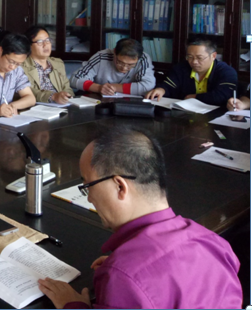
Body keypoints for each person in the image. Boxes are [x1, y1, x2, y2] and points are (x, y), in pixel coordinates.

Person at [37, 126, 242, 309]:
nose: (89, 197)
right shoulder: (215, 242)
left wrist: (73, 305)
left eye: (88, 185)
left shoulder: (124, 277)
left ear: (120, 186)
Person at [146, 39, 237, 106]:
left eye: (199, 58)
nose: (194, 62)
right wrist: (161, 89)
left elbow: (223, 96)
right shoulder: (181, 68)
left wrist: (195, 97)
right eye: (190, 57)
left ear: (213, 56)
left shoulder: (226, 72)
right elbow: (169, 85)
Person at [69, 38, 155, 96]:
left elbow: (148, 86)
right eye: (120, 62)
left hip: (128, 104)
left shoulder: (143, 59)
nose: (124, 68)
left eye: (131, 65)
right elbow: (75, 79)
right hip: (98, 102)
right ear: (114, 52)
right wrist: (99, 88)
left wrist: (113, 87)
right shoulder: (102, 57)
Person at [22, 26, 74, 104]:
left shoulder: (58, 63)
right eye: (40, 42)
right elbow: (27, 92)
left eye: (47, 40)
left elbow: (67, 88)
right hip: (34, 107)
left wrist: (66, 96)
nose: (45, 44)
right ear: (29, 46)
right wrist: (53, 96)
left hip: (60, 106)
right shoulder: (21, 66)